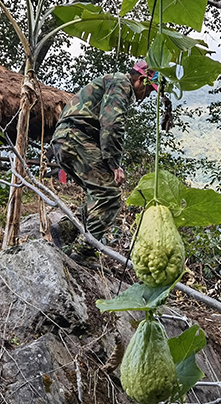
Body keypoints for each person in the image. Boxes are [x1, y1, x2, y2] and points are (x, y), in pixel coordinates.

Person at [50, 60, 171, 261]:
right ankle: (83, 251)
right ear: (141, 80)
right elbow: (112, 123)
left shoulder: (112, 82)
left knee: (99, 192)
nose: (146, 96)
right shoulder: (121, 84)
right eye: (149, 91)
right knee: (110, 195)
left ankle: (65, 229)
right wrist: (114, 164)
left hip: (64, 141)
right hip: (76, 138)